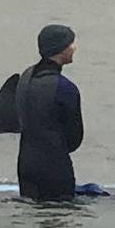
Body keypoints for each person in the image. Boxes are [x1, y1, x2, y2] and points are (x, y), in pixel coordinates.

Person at [15, 24, 83, 201]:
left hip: (25, 166)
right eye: (71, 44)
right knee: (58, 220)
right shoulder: (66, 88)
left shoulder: (25, 77)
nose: (74, 48)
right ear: (61, 50)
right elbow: (74, 139)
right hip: (54, 168)